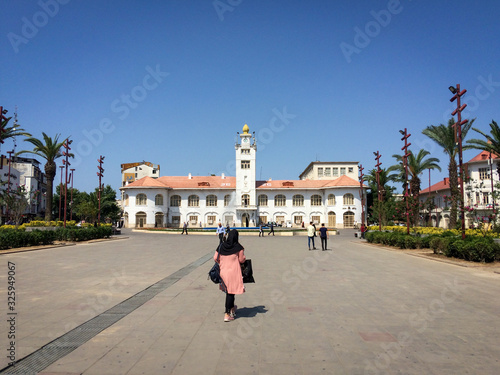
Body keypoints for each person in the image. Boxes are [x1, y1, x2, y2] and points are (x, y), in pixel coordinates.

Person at [214, 229, 246, 322]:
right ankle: (227, 313)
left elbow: (215, 258)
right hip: (234, 272)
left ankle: (232, 308)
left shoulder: (221, 246)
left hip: (223, 272)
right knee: (231, 292)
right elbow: (241, 260)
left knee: (230, 291)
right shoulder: (238, 247)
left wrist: (223, 262)